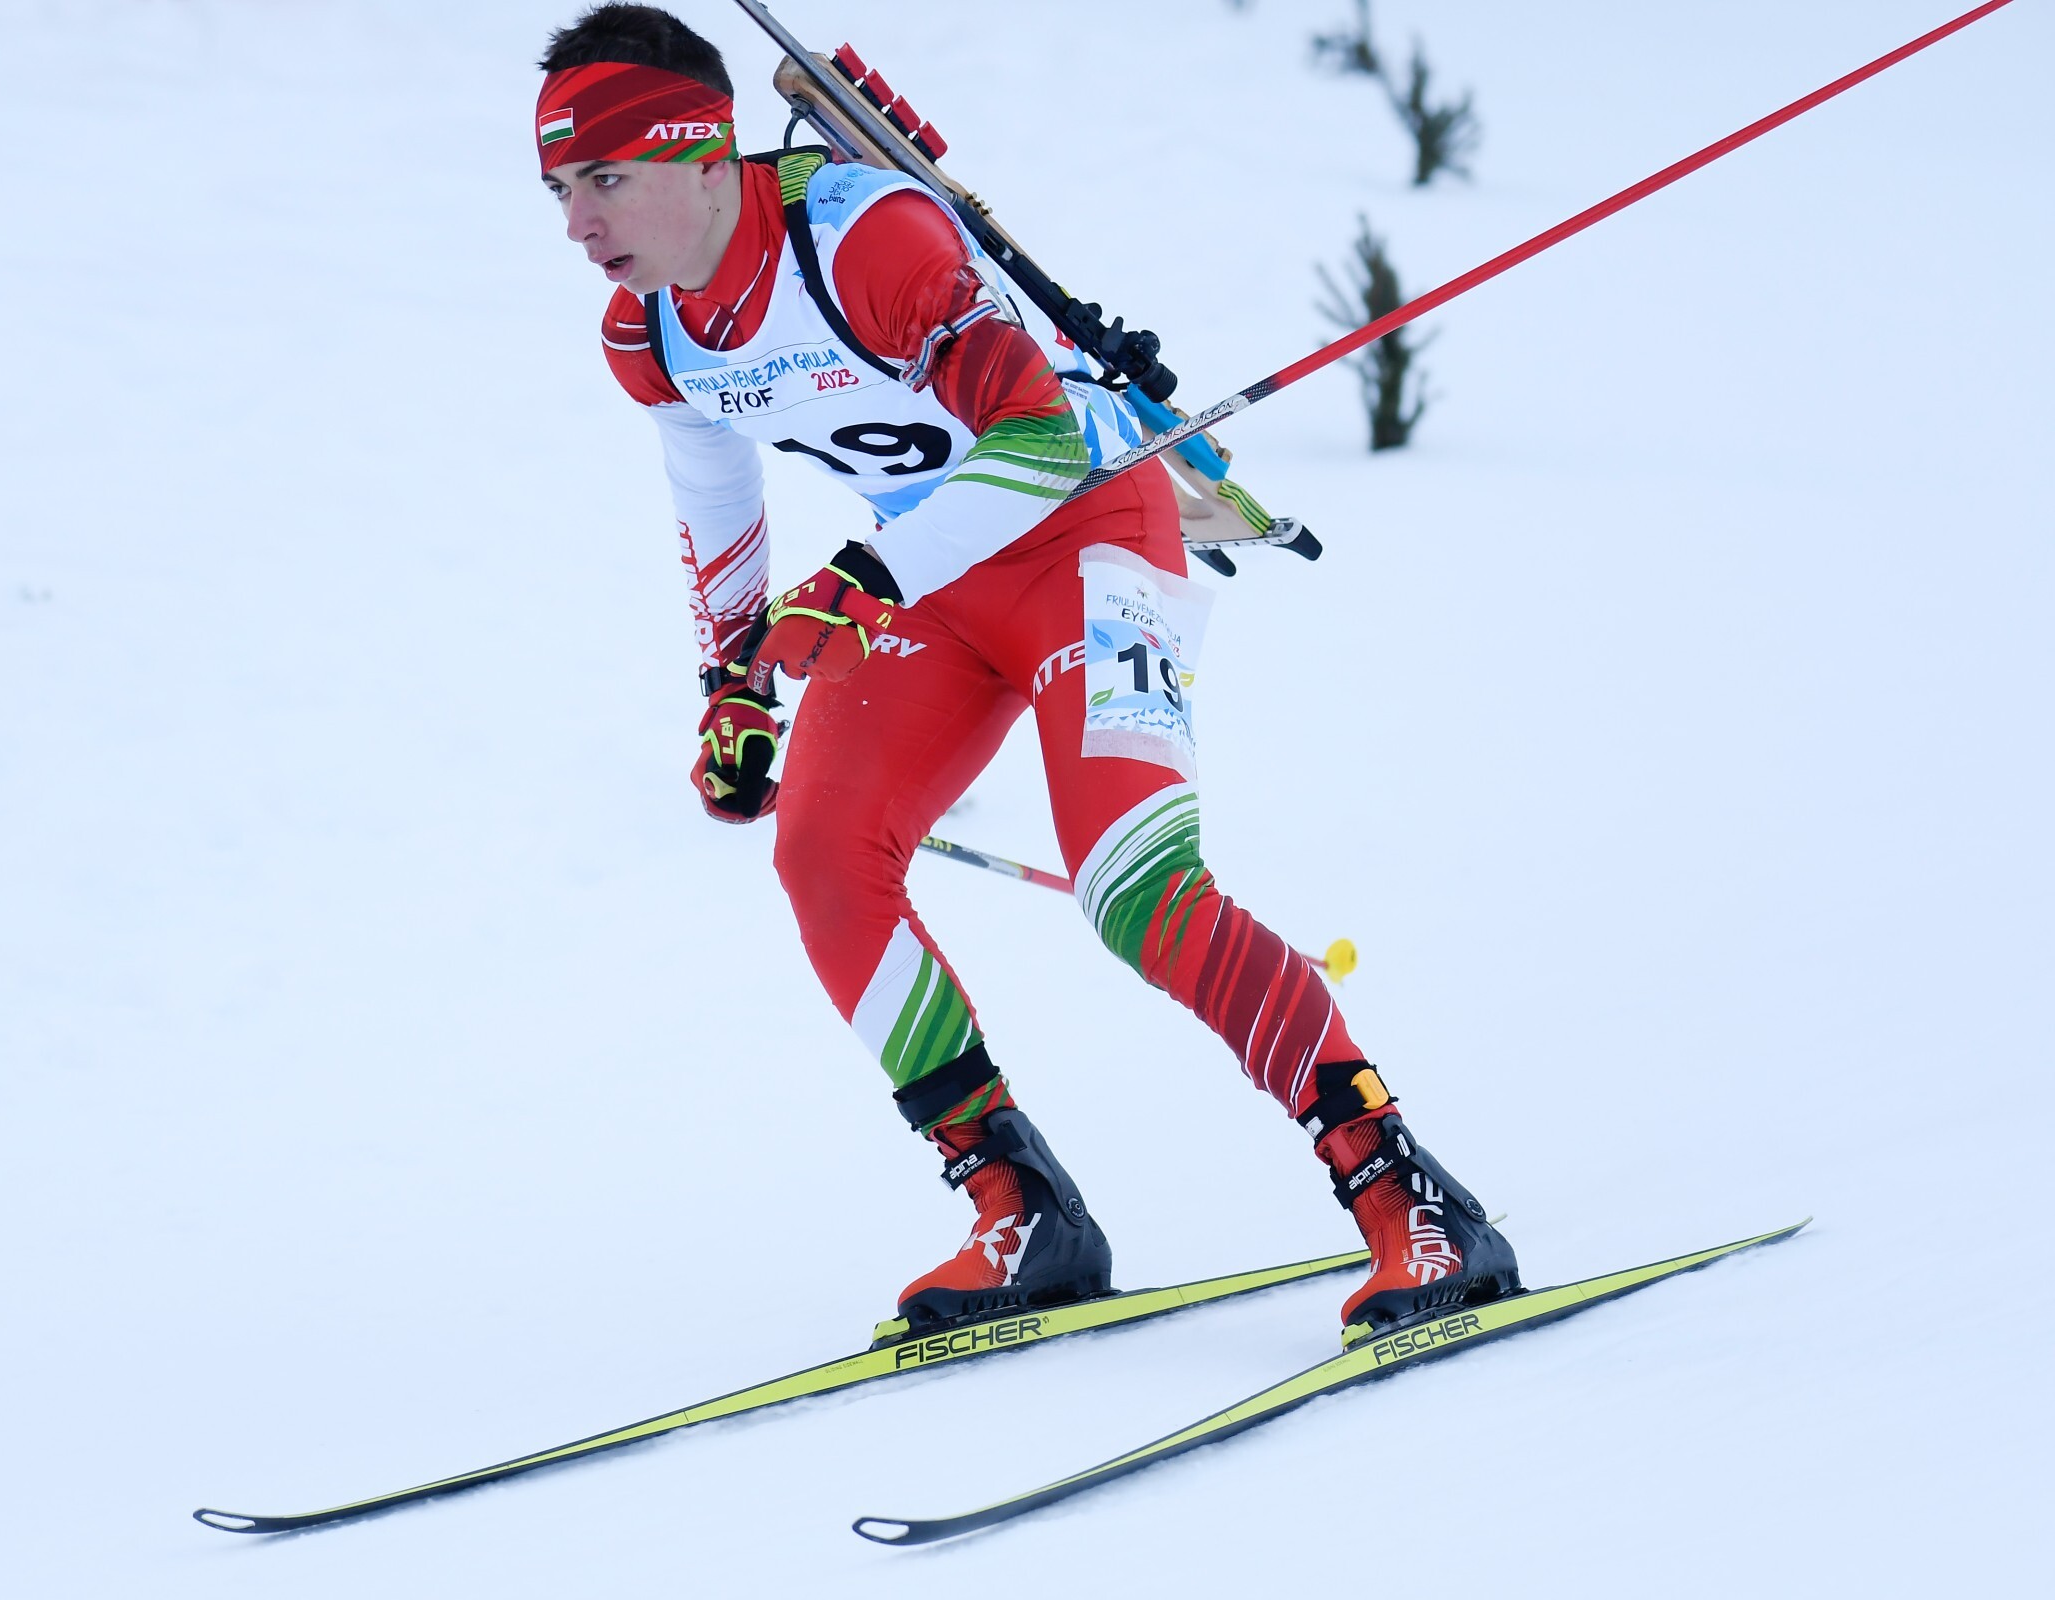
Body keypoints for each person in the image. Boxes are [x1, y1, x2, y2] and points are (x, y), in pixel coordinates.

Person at [535, 3, 1519, 1345]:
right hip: (933, 580)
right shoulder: (648, 331)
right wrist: (732, 684)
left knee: (1135, 889)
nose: (579, 223)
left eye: (603, 178)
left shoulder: (865, 236)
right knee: (824, 857)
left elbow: (1043, 441)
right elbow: (713, 493)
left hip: (1085, 528)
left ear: (703, 151)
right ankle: (1021, 1208)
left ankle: (1408, 1194)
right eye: (560, 190)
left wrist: (862, 580)